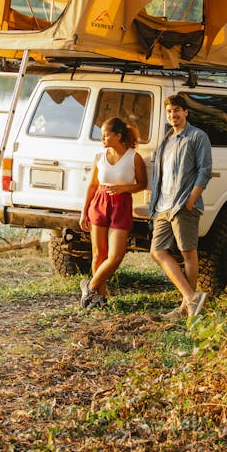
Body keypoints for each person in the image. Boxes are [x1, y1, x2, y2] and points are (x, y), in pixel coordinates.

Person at [149, 95, 212, 319]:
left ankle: (187, 308)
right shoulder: (166, 140)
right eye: (169, 111)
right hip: (163, 205)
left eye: (176, 110)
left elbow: (205, 171)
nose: (173, 115)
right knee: (157, 252)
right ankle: (191, 297)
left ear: (185, 112)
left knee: (188, 253)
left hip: (184, 204)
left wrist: (191, 201)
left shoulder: (197, 137)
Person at [79, 117, 147, 309]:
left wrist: (124, 188)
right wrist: (83, 212)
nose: (102, 139)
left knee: (116, 255)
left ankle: (89, 286)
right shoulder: (99, 157)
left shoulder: (134, 157)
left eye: (106, 135)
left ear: (118, 136)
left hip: (121, 204)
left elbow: (142, 184)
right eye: (102, 135)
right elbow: (92, 185)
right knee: (98, 254)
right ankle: (100, 299)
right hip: (99, 202)